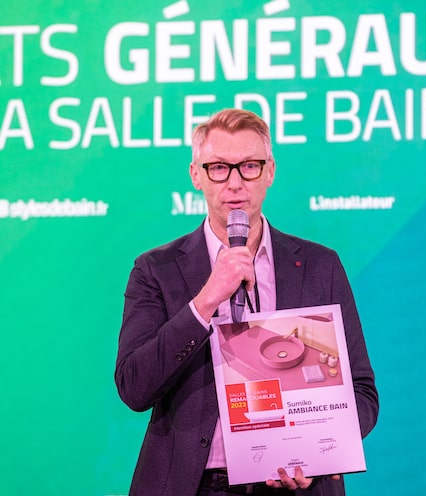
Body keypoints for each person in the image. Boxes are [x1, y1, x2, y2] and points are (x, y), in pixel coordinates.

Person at [115, 108, 378, 496]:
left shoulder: (320, 265)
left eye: (249, 166)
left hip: (296, 487)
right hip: (193, 486)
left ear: (270, 171)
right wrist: (205, 302)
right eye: (219, 167)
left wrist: (319, 455)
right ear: (196, 176)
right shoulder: (156, 270)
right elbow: (134, 387)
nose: (235, 182)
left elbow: (362, 393)